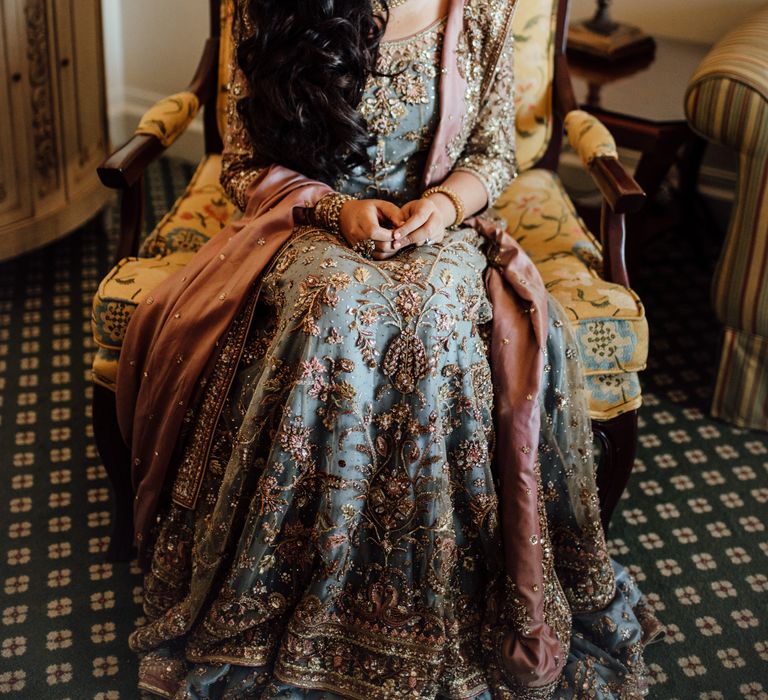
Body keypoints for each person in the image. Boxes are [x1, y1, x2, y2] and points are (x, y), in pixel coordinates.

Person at [117, 0, 662, 697]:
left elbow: (493, 153)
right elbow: (243, 163)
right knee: (336, 311)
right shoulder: (269, 7)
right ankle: (294, 595)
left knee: (432, 317)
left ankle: (438, 606)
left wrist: (443, 208)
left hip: (437, 227)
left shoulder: (484, 8)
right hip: (308, 222)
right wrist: (333, 210)